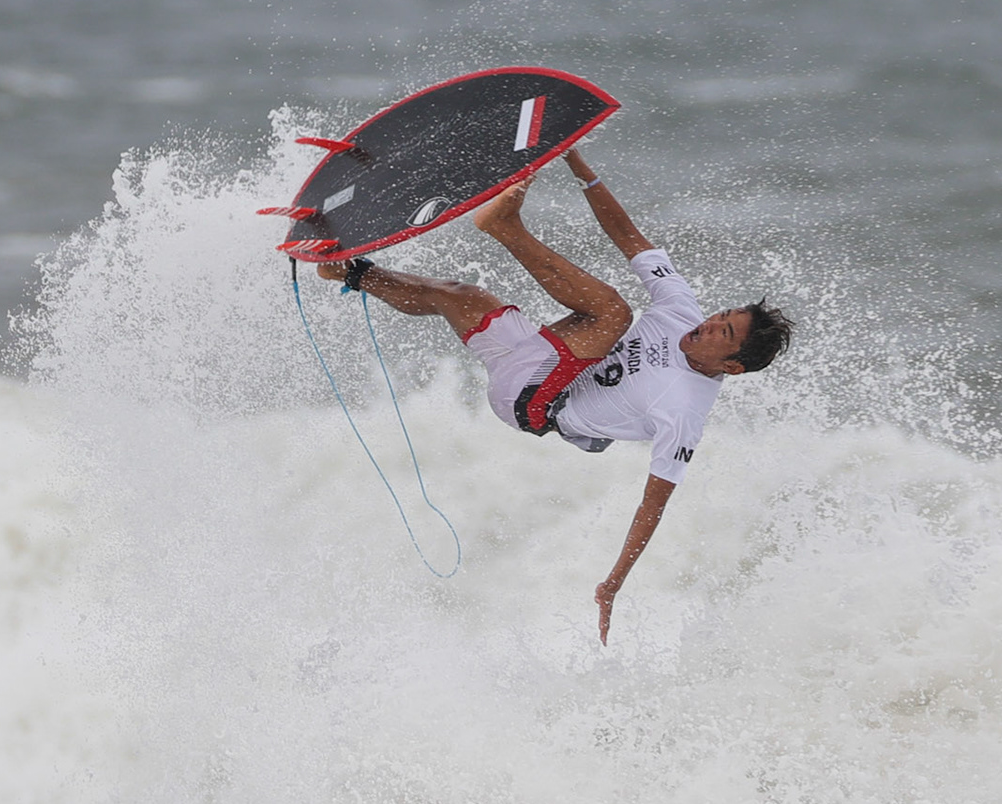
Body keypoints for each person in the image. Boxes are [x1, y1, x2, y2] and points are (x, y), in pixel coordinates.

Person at [318, 145, 791, 643]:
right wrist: (578, 165)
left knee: (612, 313)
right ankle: (348, 272)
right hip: (542, 358)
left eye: (724, 334)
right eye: (722, 316)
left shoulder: (685, 413)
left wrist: (613, 584)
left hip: (537, 402)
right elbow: (629, 237)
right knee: (457, 296)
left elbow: (652, 506)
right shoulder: (681, 308)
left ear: (733, 367)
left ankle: (505, 226)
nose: (709, 325)